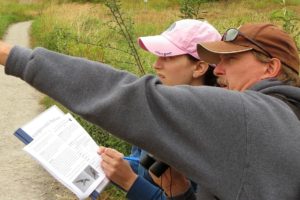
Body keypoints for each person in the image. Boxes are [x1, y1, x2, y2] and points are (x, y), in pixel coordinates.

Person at [1, 22, 300, 200]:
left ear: (270, 67)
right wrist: (180, 191)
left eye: (230, 60)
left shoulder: (251, 116)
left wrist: (13, 57)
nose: (219, 69)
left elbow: (130, 98)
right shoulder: (284, 118)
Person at [98, 19, 221, 200]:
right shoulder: (157, 108)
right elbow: (143, 165)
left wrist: (130, 183)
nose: (156, 65)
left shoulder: (215, 130)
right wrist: (111, 163)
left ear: (199, 67)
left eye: (167, 56)